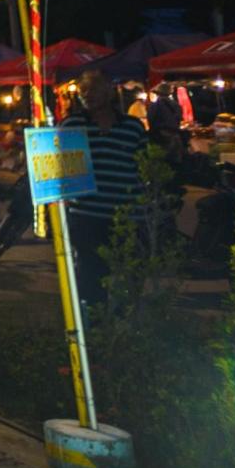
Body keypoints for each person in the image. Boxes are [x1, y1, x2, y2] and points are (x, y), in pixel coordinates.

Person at [60, 68, 147, 307]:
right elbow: (60, 165)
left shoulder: (132, 127)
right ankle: (98, 328)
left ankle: (125, 325)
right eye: (83, 91)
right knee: (90, 273)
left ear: (109, 93)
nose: (87, 95)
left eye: (93, 90)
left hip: (125, 214)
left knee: (127, 274)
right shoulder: (72, 125)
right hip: (86, 214)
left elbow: (144, 164)